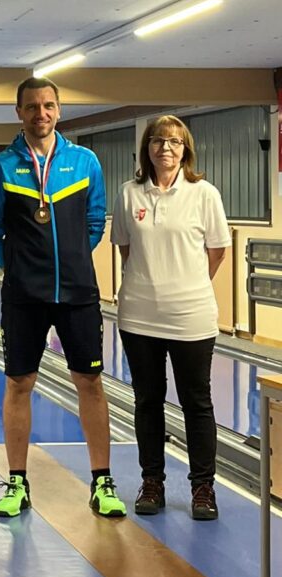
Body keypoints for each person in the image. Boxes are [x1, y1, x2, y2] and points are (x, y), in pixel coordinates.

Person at [0, 77, 126, 519]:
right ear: (19, 113)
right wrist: (21, 269)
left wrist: (73, 261)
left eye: (47, 106)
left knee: (90, 382)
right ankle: (17, 482)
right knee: (18, 383)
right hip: (24, 296)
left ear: (59, 110)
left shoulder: (84, 162)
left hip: (78, 294)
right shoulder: (1, 167)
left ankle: (102, 482)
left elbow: (95, 222)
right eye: (31, 107)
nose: (40, 114)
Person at [111, 115, 231, 520]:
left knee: (197, 402)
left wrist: (186, 285)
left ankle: (203, 488)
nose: (166, 148)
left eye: (175, 142)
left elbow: (217, 252)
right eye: (158, 140)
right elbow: (126, 249)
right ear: (146, 148)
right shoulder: (129, 193)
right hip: (139, 316)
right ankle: (152, 483)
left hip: (191, 316)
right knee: (148, 401)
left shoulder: (204, 194)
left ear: (186, 150)